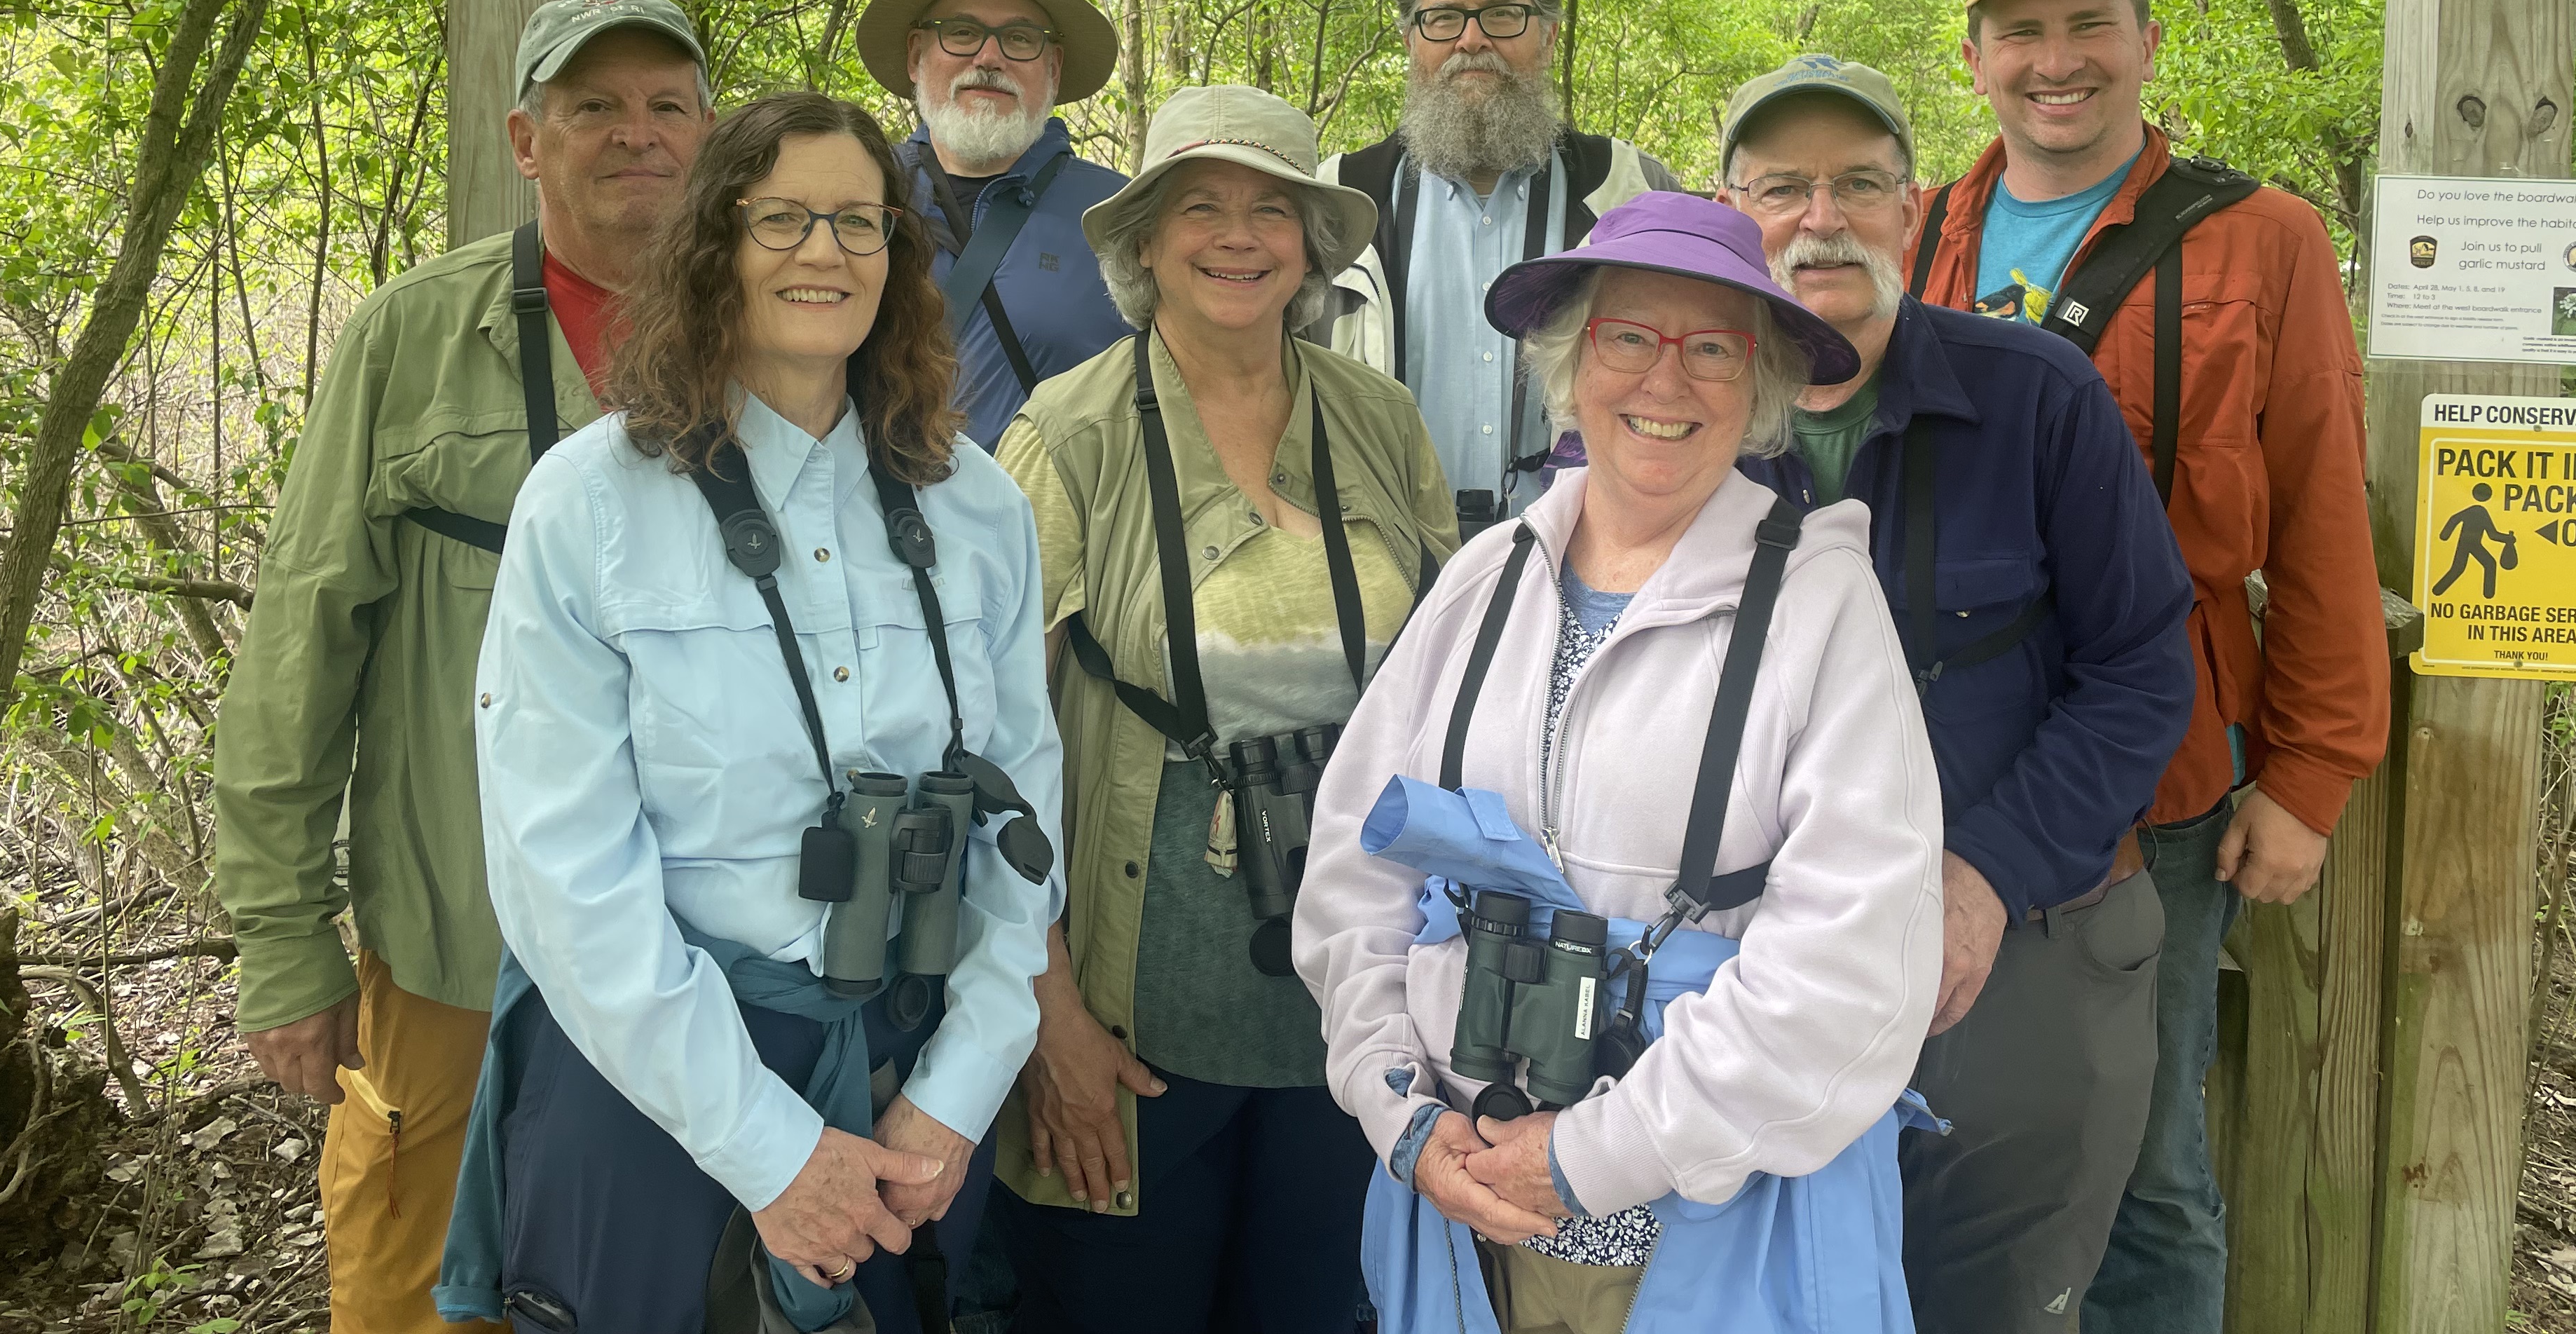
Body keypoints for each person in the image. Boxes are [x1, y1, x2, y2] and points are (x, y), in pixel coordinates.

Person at [445, 92, 1063, 1334]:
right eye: (781, 217)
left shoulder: (977, 505)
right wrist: (770, 1150)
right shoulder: (589, 504)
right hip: (654, 1092)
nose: (823, 250)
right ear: (714, 243)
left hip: (908, 1084)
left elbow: (1020, 820)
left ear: (895, 254)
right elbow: (564, 875)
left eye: (858, 221)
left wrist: (959, 1090)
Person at [1297, 190, 1943, 1334]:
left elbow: (1852, 962)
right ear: (1571, 359)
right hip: (1468, 1222)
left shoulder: (1818, 603)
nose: (1665, 378)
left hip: (1714, 1239)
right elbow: (1359, 872)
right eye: (1628, 336)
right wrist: (1398, 1108)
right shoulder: (1486, 577)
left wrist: (1596, 1153)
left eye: (1714, 348)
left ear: (1761, 383)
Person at [1906, 0, 2390, 1331]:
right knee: (1935, 1123)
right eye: (2020, 30)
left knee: (2146, 1161)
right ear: (1975, 58)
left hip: (2157, 780)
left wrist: (2311, 771)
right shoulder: (1916, 227)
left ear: (2146, 43)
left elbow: (2321, 512)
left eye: (2088, 24)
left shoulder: (2262, 238)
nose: (2055, 60)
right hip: (1933, 769)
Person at [213, 0, 711, 1334]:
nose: (636, 133)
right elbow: (300, 645)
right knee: (420, 1291)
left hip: (710, 958)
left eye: (666, 105)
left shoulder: (775, 332)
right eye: (593, 105)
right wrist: (284, 939)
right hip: (460, 948)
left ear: (708, 136)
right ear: (525, 140)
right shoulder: (415, 338)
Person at [1718, 55, 2194, 1331]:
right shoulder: (1679, 416)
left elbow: (2142, 668)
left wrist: (1983, 875)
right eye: (1781, 187)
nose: (1821, 218)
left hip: (2020, 938)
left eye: (1859, 184)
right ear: (1730, 212)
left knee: (1992, 1299)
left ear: (1913, 208)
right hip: (1753, 955)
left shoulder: (2037, 395)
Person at [984, 85, 1459, 1334]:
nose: (1238, 236)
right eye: (1201, 206)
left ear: (1311, 246)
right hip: (1135, 1000)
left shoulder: (1378, 418)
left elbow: (1453, 682)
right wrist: (1049, 1017)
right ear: (1144, 241)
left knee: (1310, 1303)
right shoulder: (1069, 435)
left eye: (1272, 209)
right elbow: (989, 748)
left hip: (1354, 993)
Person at [1320, 0, 1680, 543]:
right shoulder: (1337, 200)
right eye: (1443, 18)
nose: (1472, 40)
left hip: (1582, 557)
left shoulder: (1634, 191)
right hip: (1378, 558)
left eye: (1502, 14)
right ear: (1410, 40)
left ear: (1548, 34)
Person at [856, 0, 1132, 450]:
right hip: (873, 499)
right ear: (916, 55)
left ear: (1053, 67)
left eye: (1020, 39)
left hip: (1058, 505)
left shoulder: (1122, 216)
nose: (988, 58)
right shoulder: (858, 192)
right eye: (962, 32)